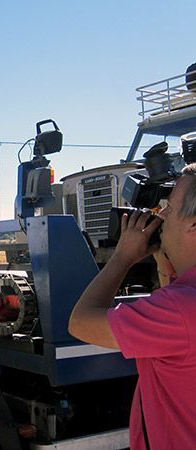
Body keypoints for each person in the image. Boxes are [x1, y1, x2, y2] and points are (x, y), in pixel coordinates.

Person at [68, 164, 196, 449]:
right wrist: (166, 261)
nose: (160, 216)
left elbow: (81, 322)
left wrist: (123, 257)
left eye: (169, 209)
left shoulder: (179, 310)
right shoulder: (181, 304)